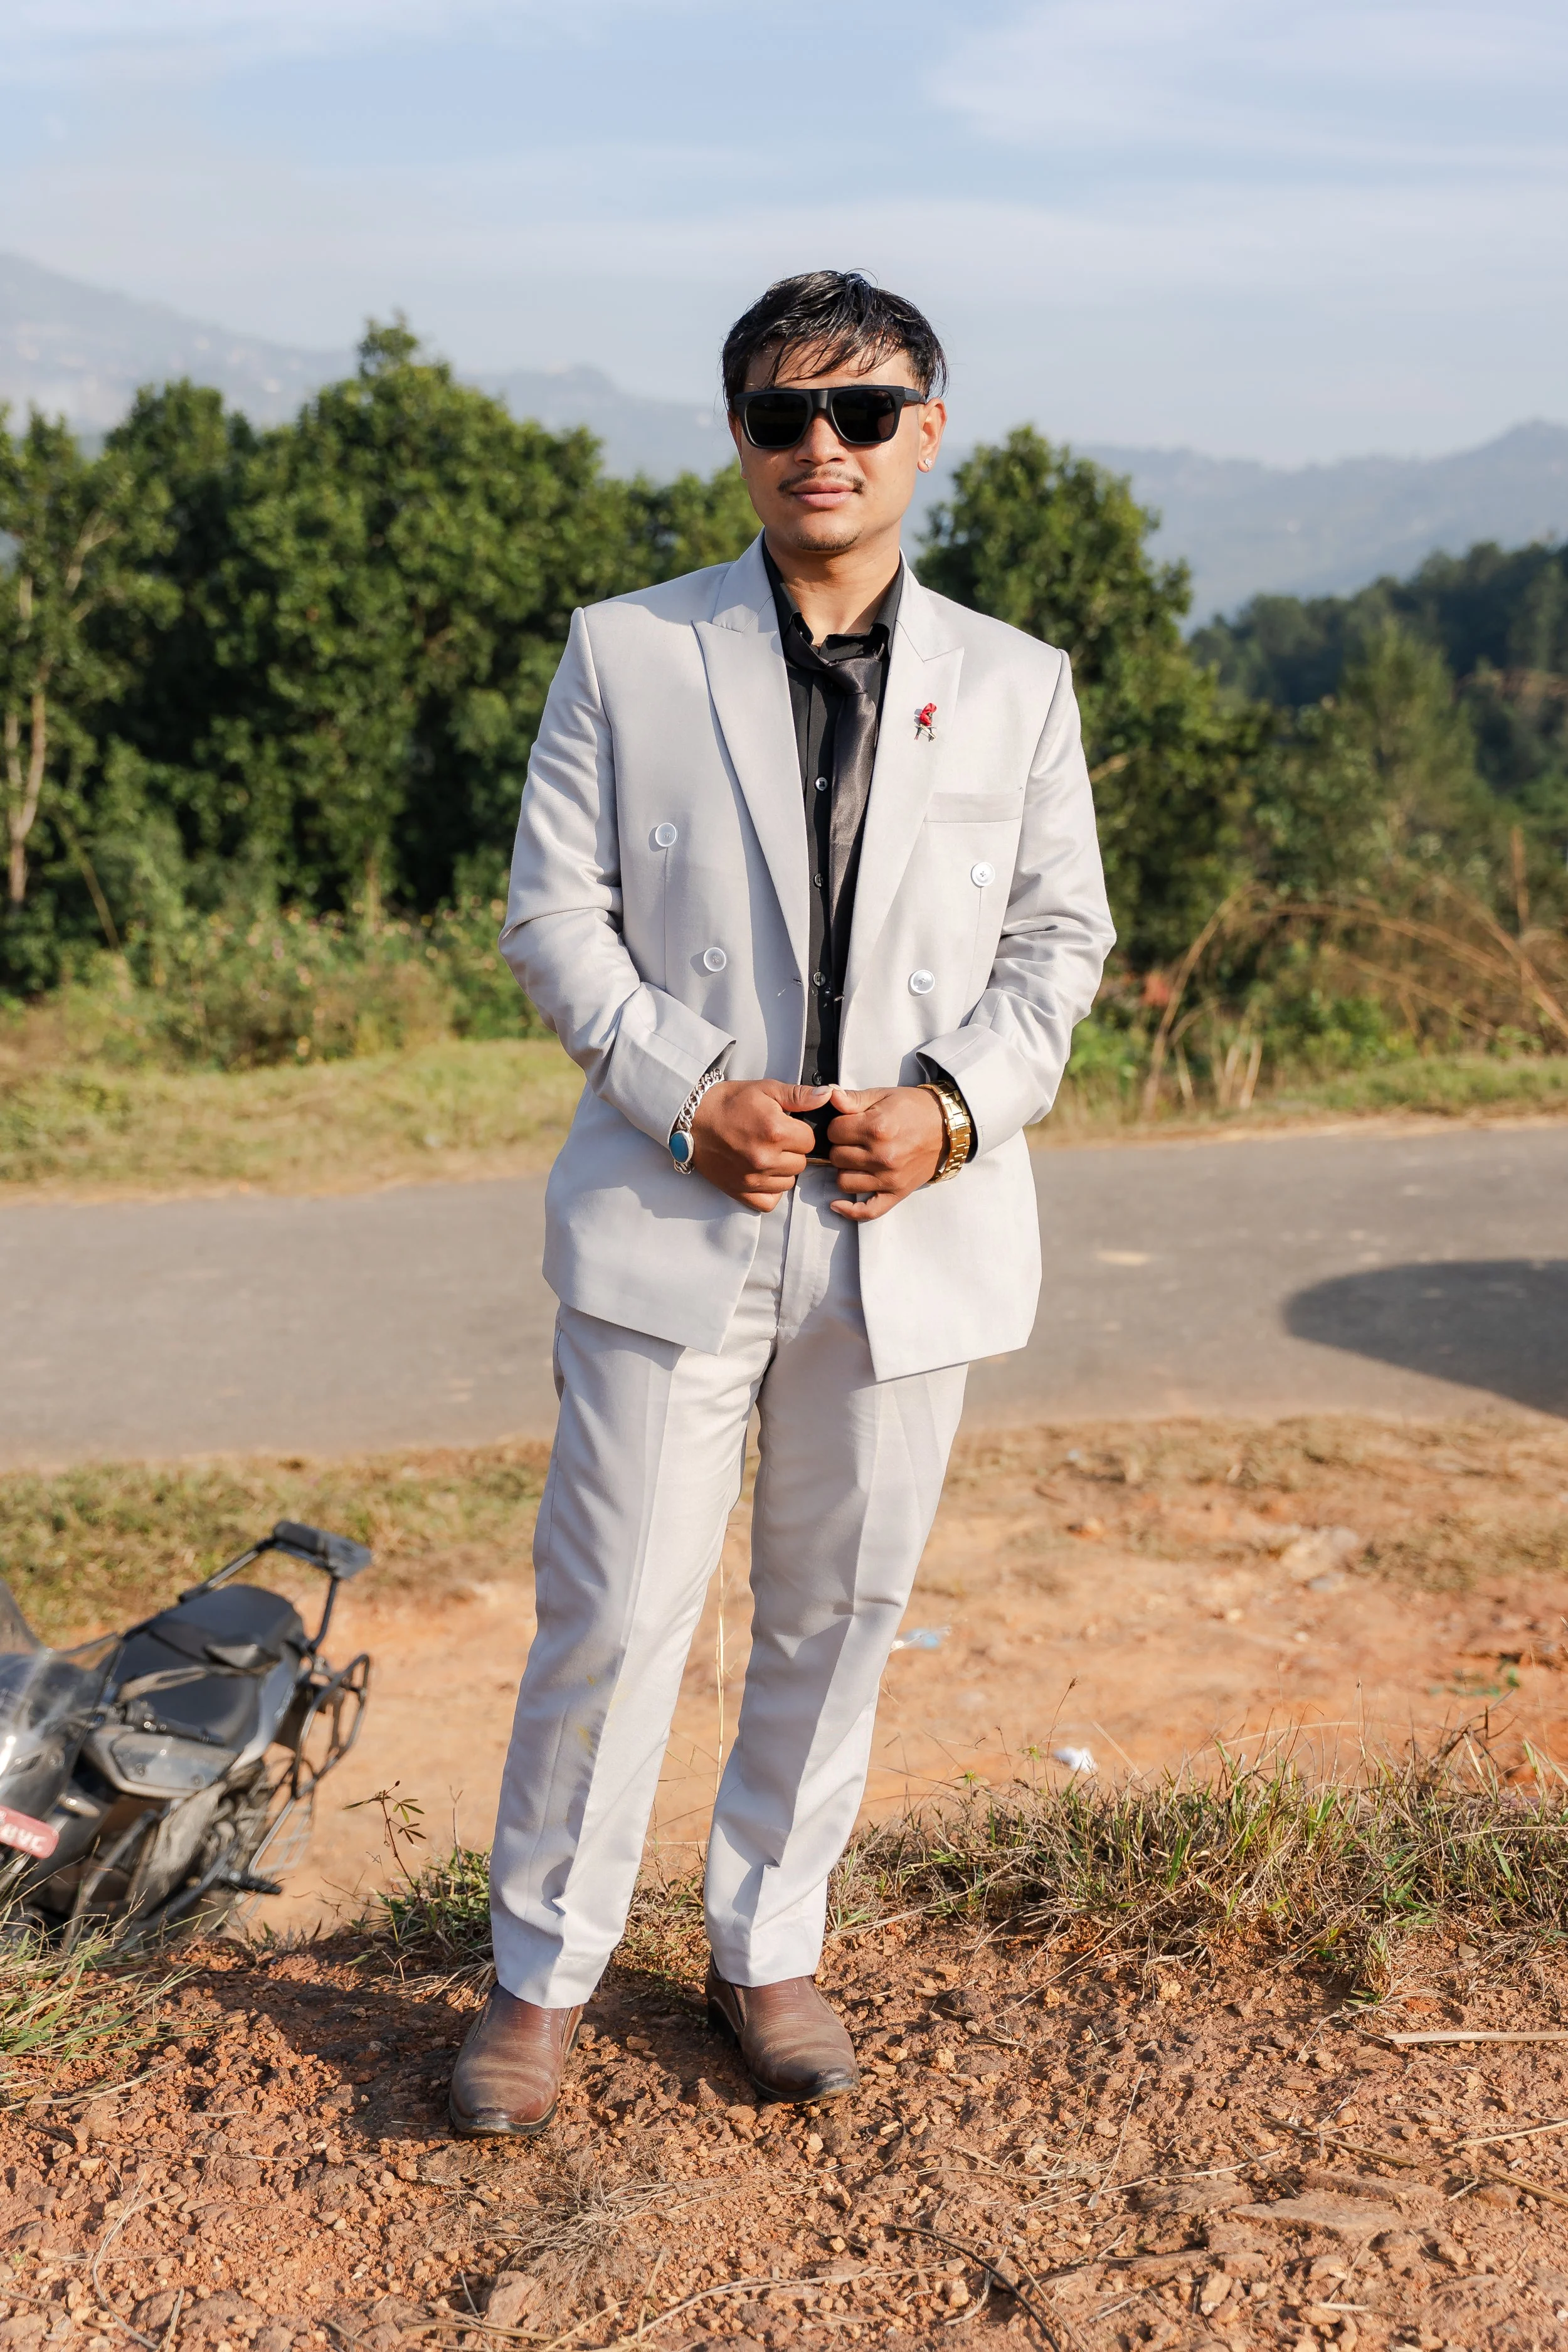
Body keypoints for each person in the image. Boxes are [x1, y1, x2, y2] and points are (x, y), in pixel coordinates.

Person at [450, 270, 1114, 2136]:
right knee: (612, 1602)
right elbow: (549, 915)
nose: (820, 445)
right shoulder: (629, 651)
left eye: (862, 408)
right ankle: (540, 1977)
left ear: (929, 425)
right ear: (736, 433)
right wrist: (682, 1097)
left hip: (908, 1224)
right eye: (778, 413)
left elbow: (1059, 944)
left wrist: (955, 1112)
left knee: (839, 1601)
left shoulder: (1013, 680)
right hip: (678, 1208)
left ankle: (769, 1941)